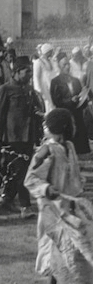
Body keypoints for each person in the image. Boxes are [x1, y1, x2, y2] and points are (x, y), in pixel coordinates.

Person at [24, 108, 93, 284]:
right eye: (73, 124)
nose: (75, 126)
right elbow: (30, 178)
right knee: (56, 249)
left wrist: (78, 195)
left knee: (66, 252)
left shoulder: (69, 147)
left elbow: (73, 176)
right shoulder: (46, 151)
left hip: (69, 209)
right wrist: (46, 188)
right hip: (51, 211)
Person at [0, 56, 42, 218]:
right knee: (21, 172)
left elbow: (31, 112)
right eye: (27, 71)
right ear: (16, 72)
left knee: (19, 172)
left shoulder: (29, 90)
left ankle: (7, 202)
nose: (30, 74)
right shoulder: (5, 89)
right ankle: (25, 207)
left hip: (28, 137)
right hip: (12, 138)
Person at [50, 52, 90, 154]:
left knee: (78, 146)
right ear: (59, 66)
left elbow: (81, 97)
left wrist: (84, 98)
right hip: (65, 115)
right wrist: (70, 101)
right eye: (64, 65)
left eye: (68, 64)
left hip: (77, 114)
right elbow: (56, 101)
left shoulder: (75, 80)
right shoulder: (55, 82)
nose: (67, 67)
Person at [34, 43, 59, 112]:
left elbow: (56, 72)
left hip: (53, 86)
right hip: (44, 88)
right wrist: (38, 91)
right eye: (50, 52)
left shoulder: (52, 61)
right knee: (48, 105)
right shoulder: (38, 62)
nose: (51, 53)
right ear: (47, 52)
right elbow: (36, 77)